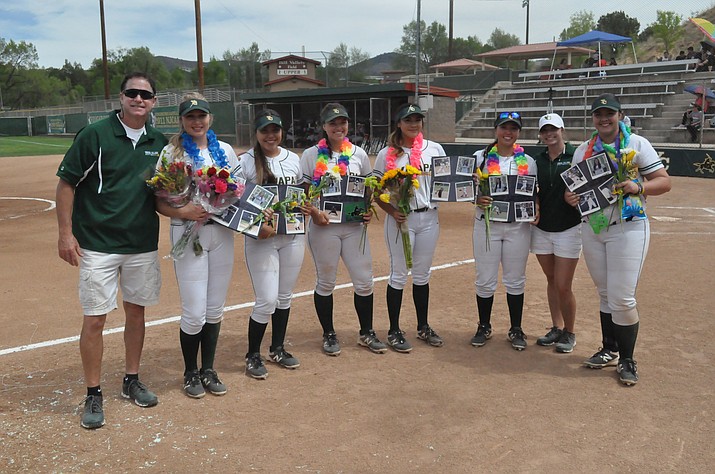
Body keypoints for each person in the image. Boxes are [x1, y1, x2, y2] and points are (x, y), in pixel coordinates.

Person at [56, 72, 168, 429]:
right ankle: (93, 392)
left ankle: (131, 379)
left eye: (145, 95)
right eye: (132, 93)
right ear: (121, 98)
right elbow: (67, 183)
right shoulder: (96, 135)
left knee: (137, 314)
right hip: (97, 245)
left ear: (153, 102)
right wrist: (65, 234)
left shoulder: (159, 141)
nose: (139, 99)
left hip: (140, 244)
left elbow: (163, 194)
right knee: (95, 318)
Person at [565, 93, 671, 386]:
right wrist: (570, 197)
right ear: (593, 118)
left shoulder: (636, 144)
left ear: (619, 115)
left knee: (622, 297)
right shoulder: (584, 150)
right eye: (599, 114)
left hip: (628, 225)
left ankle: (627, 359)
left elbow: (664, 181)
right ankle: (609, 348)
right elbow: (572, 189)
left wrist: (638, 186)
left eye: (609, 113)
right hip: (594, 227)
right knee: (604, 293)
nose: (604, 118)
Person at [154, 93, 239, 398]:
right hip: (188, 232)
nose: (196, 121)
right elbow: (159, 202)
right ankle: (191, 372)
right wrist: (183, 211)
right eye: (190, 117)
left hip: (221, 234)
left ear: (209, 119)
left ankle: (209, 369)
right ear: (182, 121)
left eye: (201, 116)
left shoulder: (226, 151)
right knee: (194, 311)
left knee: (215, 308)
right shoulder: (171, 153)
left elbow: (238, 192)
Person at [300, 103, 387, 356]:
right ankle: (328, 333)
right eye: (333, 123)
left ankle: (366, 332)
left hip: (354, 227)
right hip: (324, 227)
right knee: (326, 282)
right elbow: (304, 191)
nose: (339, 127)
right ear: (324, 127)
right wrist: (315, 212)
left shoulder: (358, 154)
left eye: (343, 122)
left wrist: (367, 208)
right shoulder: (311, 154)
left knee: (364, 281)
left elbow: (368, 186)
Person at [238, 109, 309, 379]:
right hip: (262, 239)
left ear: (282, 132)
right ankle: (252, 354)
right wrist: (256, 226)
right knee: (266, 300)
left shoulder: (293, 158)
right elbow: (236, 201)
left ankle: (277, 348)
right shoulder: (245, 161)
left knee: (284, 296)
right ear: (256, 134)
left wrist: (305, 207)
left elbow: (302, 192)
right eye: (265, 130)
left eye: (275, 130)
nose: (271, 135)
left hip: (292, 236)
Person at [374, 103, 446, 352]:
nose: (413, 124)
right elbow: (376, 190)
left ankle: (423, 326)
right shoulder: (388, 154)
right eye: (408, 120)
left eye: (417, 119)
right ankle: (394, 330)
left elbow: (445, 181)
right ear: (398, 124)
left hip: (429, 218)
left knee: (423, 275)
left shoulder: (434, 148)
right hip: (401, 220)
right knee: (398, 274)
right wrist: (392, 211)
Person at [470, 112, 537, 351]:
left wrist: (535, 208)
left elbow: (532, 194)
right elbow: (469, 189)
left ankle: (516, 328)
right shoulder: (481, 157)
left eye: (514, 128)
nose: (508, 132)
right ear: (495, 129)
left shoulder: (527, 162)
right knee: (485, 279)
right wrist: (477, 199)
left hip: (517, 227)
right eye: (504, 127)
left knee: (515, 279)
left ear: (518, 132)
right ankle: (484, 325)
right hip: (486, 226)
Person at [531, 114, 581, 353]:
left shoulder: (577, 156)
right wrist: (536, 204)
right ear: (540, 134)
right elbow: (531, 191)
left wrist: (576, 199)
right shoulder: (536, 160)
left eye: (553, 129)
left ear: (562, 130)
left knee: (563, 285)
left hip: (569, 227)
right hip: (541, 229)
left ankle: (570, 332)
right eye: (544, 131)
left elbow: (589, 186)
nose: (549, 134)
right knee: (551, 281)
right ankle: (557, 327)